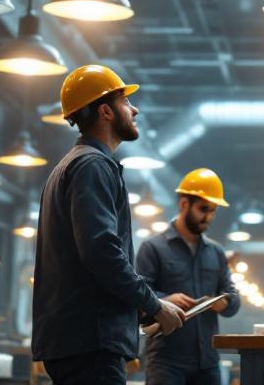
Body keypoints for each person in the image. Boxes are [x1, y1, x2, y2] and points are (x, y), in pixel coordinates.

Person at [33, 65, 188, 385]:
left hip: (79, 339)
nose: (135, 109)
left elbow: (88, 262)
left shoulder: (73, 165)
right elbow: (101, 251)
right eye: (125, 102)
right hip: (91, 340)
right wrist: (153, 303)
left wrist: (142, 308)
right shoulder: (93, 165)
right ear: (105, 111)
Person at [136, 168, 241, 385]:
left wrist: (222, 303)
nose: (209, 217)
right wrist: (164, 301)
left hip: (207, 362)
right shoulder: (152, 248)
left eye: (213, 211)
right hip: (166, 362)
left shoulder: (216, 252)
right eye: (204, 209)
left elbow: (233, 298)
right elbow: (138, 298)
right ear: (184, 204)